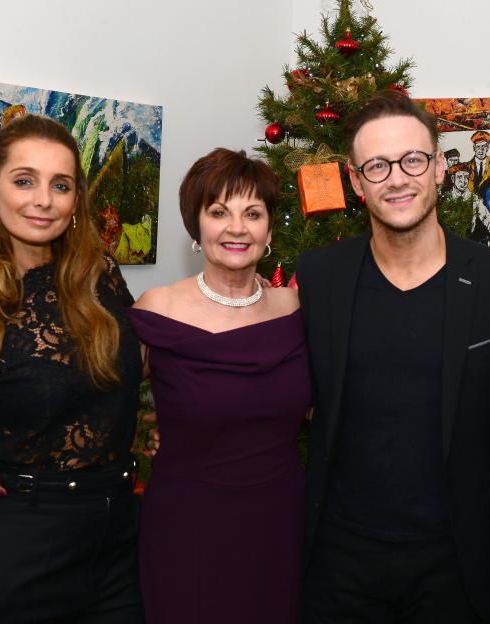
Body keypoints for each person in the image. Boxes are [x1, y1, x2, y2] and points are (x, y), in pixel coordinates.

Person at [299, 91, 490, 623]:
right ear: (356, 182)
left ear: (440, 167)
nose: (397, 178)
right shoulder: (320, 276)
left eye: (413, 160)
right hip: (340, 558)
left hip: (454, 560)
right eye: (377, 166)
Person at [0, 114, 144, 623]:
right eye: (25, 180)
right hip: (25, 542)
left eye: (60, 185)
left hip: (119, 535)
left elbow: (129, 375)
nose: (44, 199)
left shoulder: (102, 276)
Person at [127, 148, 309, 623]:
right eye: (218, 212)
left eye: (253, 213)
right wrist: (3, 447)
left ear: (269, 228)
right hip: (188, 523)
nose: (236, 228)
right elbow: (95, 397)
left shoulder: (295, 309)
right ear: (196, 225)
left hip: (278, 521)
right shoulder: (157, 310)